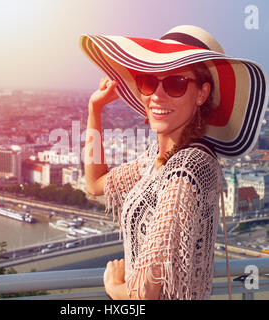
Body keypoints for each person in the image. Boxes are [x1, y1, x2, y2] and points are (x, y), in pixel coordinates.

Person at [80, 25, 268, 300]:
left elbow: (145, 293)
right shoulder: (155, 160)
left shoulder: (188, 168)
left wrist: (113, 285)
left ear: (202, 94)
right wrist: (95, 110)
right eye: (148, 81)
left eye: (175, 83)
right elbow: (95, 183)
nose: (157, 95)